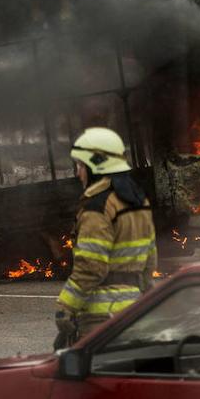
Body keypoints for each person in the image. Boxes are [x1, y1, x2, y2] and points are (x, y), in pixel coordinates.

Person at [54, 127, 157, 350]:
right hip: (134, 310)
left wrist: (66, 307)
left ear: (96, 165)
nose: (78, 173)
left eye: (81, 166)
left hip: (102, 319)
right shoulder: (138, 201)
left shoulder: (98, 208)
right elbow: (150, 260)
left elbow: (91, 267)